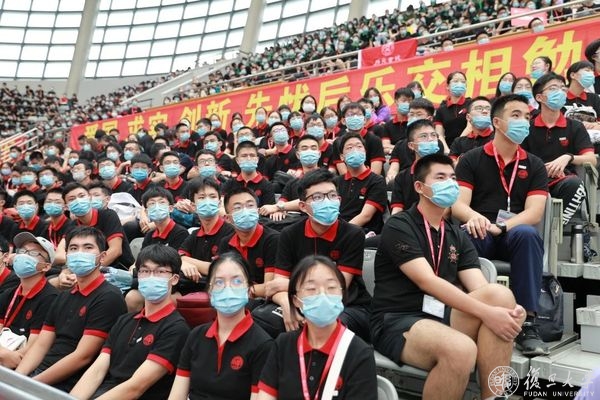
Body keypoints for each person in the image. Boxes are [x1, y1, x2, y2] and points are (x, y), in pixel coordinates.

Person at [371, 154, 525, 400]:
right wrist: (488, 313)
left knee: (501, 297)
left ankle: (492, 397)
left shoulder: (455, 233)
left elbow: (481, 289)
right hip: (398, 319)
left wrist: (508, 310)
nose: (450, 183)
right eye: (440, 177)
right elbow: (427, 281)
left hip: (442, 314)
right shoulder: (399, 225)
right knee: (461, 349)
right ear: (420, 187)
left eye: (453, 178)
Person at [452, 94, 549, 356]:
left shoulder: (534, 164)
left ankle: (527, 323)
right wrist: (475, 218)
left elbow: (535, 212)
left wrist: (503, 227)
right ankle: (470, 315)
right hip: (480, 228)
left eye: (527, 116)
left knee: (528, 234)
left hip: (512, 232)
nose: (523, 121)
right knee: (464, 235)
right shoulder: (471, 159)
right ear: (497, 122)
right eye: (515, 115)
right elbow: (458, 205)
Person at [70, 245, 189, 400]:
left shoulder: (176, 328)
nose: (151, 277)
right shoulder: (124, 320)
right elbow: (97, 371)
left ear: (174, 279)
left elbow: (135, 387)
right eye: (145, 271)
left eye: (160, 272)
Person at [15, 227, 127, 391]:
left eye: (87, 247)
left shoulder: (109, 297)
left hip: (69, 383)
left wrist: (32, 384)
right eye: (74, 248)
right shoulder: (63, 296)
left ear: (102, 257)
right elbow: (41, 345)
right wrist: (17, 378)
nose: (80, 253)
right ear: (67, 256)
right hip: (40, 372)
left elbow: (82, 357)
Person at [257, 255, 377, 400]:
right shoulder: (283, 345)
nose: (322, 295)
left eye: (331, 287)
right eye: (311, 289)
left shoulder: (359, 353)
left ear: (342, 294)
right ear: (296, 300)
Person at [272, 169, 371, 340]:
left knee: (324, 326)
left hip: (346, 305)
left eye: (332, 196)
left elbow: (336, 288)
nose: (327, 202)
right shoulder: (289, 234)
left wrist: (290, 288)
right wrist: (286, 303)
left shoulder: (353, 234)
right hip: (300, 301)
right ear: (303, 206)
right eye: (317, 197)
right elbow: (276, 284)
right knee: (269, 320)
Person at [168, 253, 273, 400]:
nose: (227, 288)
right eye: (219, 282)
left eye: (237, 281)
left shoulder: (262, 344)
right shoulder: (196, 336)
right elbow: (177, 395)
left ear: (249, 289)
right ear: (210, 292)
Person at [523, 72, 595, 225]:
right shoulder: (527, 127)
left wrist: (568, 157)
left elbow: (591, 159)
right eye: (553, 88)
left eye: (563, 88)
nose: (560, 92)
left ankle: (555, 228)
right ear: (539, 97)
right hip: (531, 179)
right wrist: (540, 169)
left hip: (562, 181)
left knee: (576, 186)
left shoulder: (575, 126)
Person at [0, 233, 59, 369]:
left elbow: (31, 350)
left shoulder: (50, 298)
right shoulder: (9, 293)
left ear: (46, 266)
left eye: (33, 253)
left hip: (23, 366)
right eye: (22, 251)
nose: (24, 256)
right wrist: (3, 354)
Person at [219, 187, 279, 300]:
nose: (245, 211)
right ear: (227, 218)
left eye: (250, 205)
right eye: (238, 208)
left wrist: (239, 290)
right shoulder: (226, 243)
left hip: (263, 301)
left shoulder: (273, 240)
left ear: (257, 210)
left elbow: (269, 288)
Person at [335, 133, 387, 235]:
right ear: (342, 157)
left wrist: (340, 233)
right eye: (349, 148)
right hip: (339, 229)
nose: (355, 150)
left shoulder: (376, 181)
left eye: (359, 146)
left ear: (365, 152)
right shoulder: (337, 181)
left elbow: (365, 216)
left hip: (363, 232)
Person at [391, 120, 443, 215]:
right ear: (411, 145)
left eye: (433, 135)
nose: (430, 139)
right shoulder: (402, 177)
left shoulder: (447, 173)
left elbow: (449, 209)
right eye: (424, 136)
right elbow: (397, 210)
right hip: (408, 222)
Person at [434, 71, 471, 153]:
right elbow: (439, 134)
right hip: (448, 149)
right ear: (447, 86)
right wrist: (448, 151)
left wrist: (456, 145)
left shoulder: (471, 104)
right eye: (456, 81)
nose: (459, 84)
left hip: (469, 147)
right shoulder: (441, 109)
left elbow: (470, 127)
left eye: (463, 82)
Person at [449, 96, 494, 162]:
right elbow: (452, 162)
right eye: (479, 108)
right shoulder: (458, 142)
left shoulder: (498, 139)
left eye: (488, 109)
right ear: (468, 117)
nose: (485, 111)